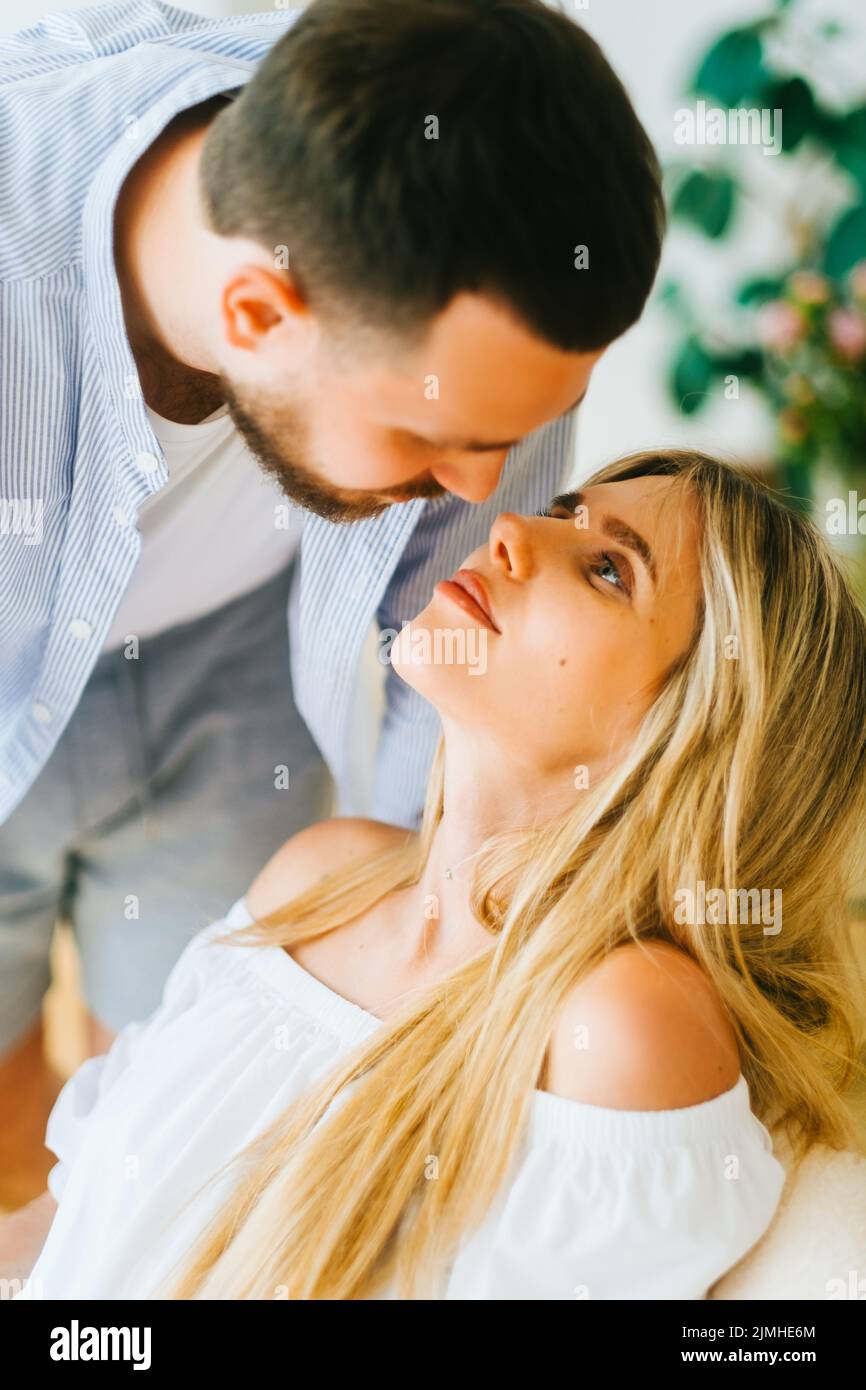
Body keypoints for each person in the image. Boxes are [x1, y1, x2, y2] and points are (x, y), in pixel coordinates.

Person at [0, 0, 665, 1205]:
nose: (490, 497)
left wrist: (440, 916)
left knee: (179, 1120)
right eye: (432, 438)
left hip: (237, 665)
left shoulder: (463, 250)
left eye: (505, 438)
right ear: (254, 315)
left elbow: (447, 679)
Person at [7, 449, 866, 1299]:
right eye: (565, 510)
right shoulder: (321, 874)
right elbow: (79, 1217)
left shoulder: (621, 1026)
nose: (513, 531)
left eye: (609, 568)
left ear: (700, 739)